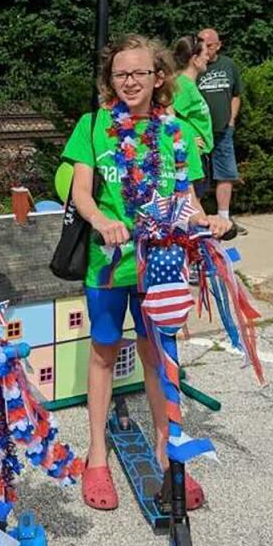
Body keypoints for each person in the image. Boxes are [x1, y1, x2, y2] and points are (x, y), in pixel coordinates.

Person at [63, 34, 231, 511]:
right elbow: (82, 195)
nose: (130, 81)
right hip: (110, 264)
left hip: (160, 262)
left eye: (139, 73)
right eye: (121, 74)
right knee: (103, 351)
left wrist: (208, 220)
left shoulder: (175, 131)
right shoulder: (93, 126)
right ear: (109, 79)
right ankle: (97, 453)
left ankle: (166, 451)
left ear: (158, 77)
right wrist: (102, 221)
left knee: (158, 354)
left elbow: (188, 199)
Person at [196, 28, 243, 219]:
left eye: (209, 45)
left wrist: (231, 119)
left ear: (218, 45)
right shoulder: (196, 65)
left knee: (226, 173)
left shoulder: (228, 65)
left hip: (223, 129)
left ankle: (224, 218)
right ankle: (196, 218)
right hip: (199, 131)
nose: (205, 49)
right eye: (202, 45)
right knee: (196, 174)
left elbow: (236, 95)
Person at [171, 36, 214, 156]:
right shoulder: (183, 86)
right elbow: (167, 115)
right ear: (195, 59)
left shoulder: (189, 84)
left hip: (199, 154)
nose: (208, 57)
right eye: (205, 54)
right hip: (192, 155)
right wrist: (185, 138)